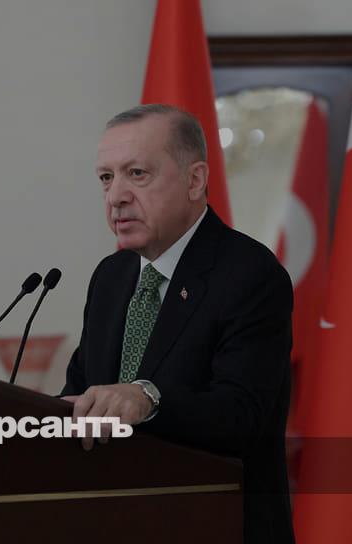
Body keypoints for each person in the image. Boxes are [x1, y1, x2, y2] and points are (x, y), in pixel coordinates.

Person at [60, 104, 295, 543]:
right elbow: (80, 393)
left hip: (218, 528)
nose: (115, 196)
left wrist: (147, 398)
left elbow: (241, 416)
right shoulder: (111, 277)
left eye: (137, 173)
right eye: (106, 178)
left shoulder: (250, 274)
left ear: (195, 180)